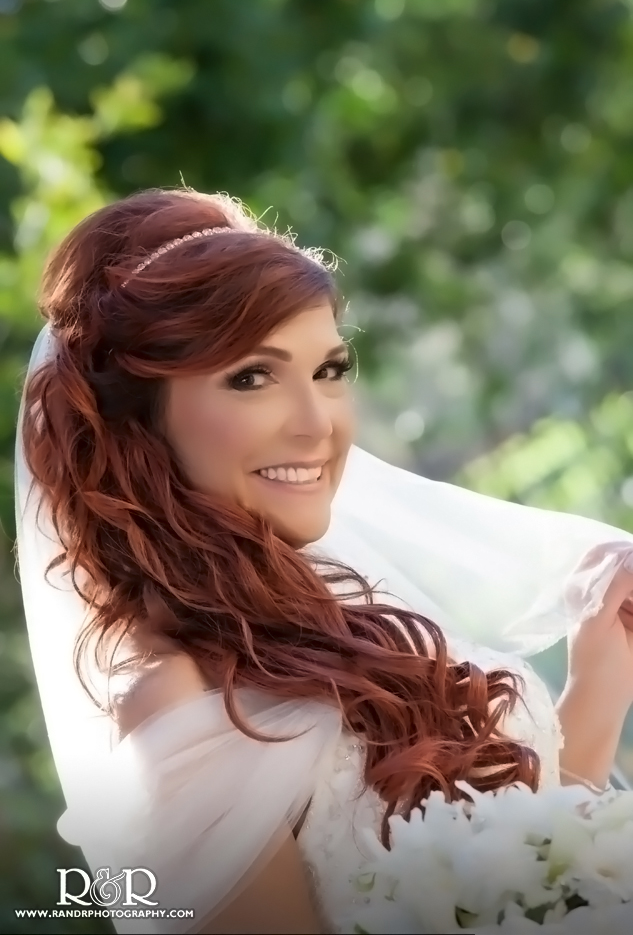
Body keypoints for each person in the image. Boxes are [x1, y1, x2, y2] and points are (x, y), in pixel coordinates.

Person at [14, 187, 633, 935]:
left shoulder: (336, 610)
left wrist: (601, 680)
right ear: (140, 420)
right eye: (252, 377)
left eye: (329, 370)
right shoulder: (169, 702)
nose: (317, 425)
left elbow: (524, 879)